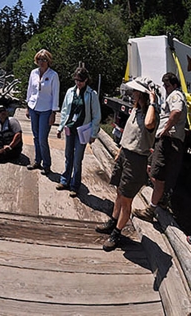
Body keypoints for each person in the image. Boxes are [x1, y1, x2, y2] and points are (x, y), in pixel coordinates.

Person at [95, 77, 158, 251]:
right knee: (119, 193)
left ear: (144, 94)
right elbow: (130, 133)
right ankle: (113, 221)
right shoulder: (136, 110)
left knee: (126, 200)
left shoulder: (150, 114)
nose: (133, 94)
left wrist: (152, 102)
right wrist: (120, 151)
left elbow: (149, 124)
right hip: (125, 155)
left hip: (137, 160)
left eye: (136, 92)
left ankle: (117, 233)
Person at [132, 72, 188, 222]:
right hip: (166, 140)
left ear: (175, 85)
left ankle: (152, 208)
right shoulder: (171, 96)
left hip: (168, 140)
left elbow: (176, 112)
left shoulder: (176, 95)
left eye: (167, 85)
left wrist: (165, 129)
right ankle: (160, 198)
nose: (165, 87)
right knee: (153, 168)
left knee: (158, 174)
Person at [56, 67, 101, 197]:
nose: (78, 83)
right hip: (70, 128)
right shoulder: (70, 92)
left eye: (80, 81)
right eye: (76, 80)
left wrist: (93, 134)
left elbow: (96, 115)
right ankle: (65, 180)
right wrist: (60, 128)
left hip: (83, 131)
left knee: (77, 159)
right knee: (68, 155)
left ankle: (75, 185)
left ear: (86, 80)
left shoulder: (91, 94)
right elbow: (64, 111)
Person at [25, 49, 60, 175]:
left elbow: (55, 94)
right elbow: (30, 90)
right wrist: (27, 106)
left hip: (46, 110)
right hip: (34, 108)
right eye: (39, 59)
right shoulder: (33, 73)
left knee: (42, 138)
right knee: (35, 136)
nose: (41, 62)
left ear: (48, 61)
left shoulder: (53, 75)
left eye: (44, 59)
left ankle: (47, 164)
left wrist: (53, 112)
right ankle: (37, 161)